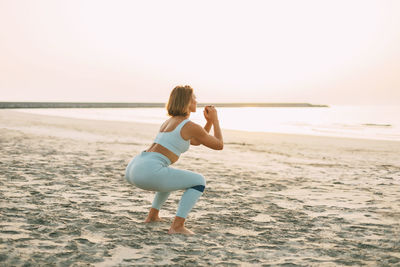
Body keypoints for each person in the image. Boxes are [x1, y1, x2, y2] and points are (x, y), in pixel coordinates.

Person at [125, 85, 223, 235]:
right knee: (199, 181)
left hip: (135, 167)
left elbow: (197, 140)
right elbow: (218, 145)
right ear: (186, 102)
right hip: (148, 171)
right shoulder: (189, 125)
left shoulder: (170, 122)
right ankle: (177, 226)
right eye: (194, 98)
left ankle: (152, 216)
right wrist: (215, 120)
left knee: (168, 175)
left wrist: (208, 122)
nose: (196, 101)